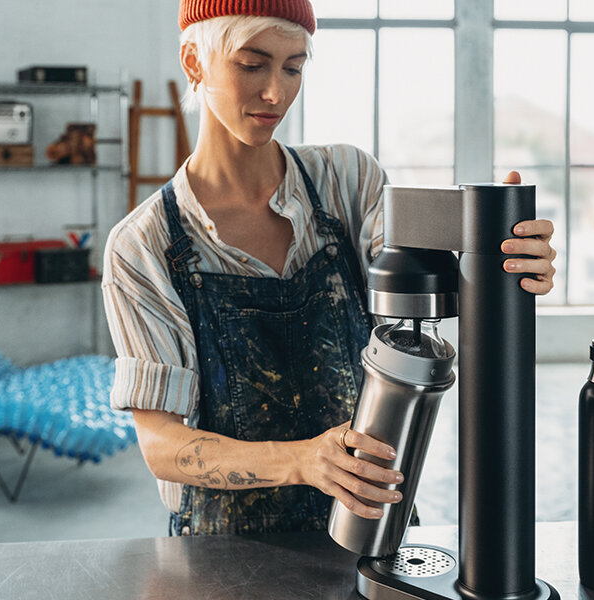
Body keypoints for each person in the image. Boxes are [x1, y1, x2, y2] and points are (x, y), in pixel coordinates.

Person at [101, 0, 556, 537]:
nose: (276, 92)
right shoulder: (144, 246)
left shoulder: (348, 181)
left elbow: (432, 289)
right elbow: (160, 443)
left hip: (374, 527)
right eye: (252, 64)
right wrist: (302, 461)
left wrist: (505, 259)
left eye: (293, 67)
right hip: (223, 554)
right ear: (195, 62)